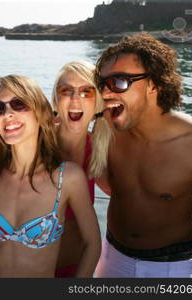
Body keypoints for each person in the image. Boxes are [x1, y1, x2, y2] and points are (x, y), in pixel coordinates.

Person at [94, 33, 192, 277]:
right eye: (102, 83)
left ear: (155, 84)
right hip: (112, 255)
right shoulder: (107, 130)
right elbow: (110, 184)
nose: (105, 93)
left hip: (173, 267)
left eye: (120, 81)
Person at [0, 74, 101, 277]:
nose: (7, 114)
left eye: (18, 104)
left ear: (41, 113)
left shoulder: (68, 178)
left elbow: (93, 244)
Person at [52, 61, 111, 277]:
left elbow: (126, 190)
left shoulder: (99, 149)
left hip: (77, 269)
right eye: (66, 91)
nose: (76, 99)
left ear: (98, 103)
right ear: (55, 100)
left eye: (87, 92)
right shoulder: (36, 142)